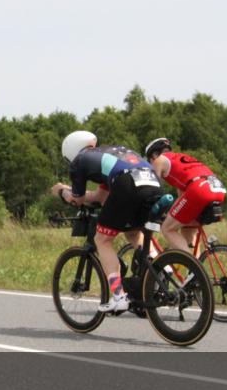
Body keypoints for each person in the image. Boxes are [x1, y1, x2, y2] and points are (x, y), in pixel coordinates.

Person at [51, 131, 163, 313]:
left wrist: (62, 191)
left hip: (127, 182)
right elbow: (100, 197)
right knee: (133, 232)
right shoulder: (108, 154)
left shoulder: (80, 160)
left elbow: (77, 199)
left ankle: (119, 296)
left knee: (102, 239)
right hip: (153, 182)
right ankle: (160, 269)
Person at [144, 138, 226, 253]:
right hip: (218, 188)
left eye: (149, 161)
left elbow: (153, 189)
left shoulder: (159, 160)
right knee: (187, 228)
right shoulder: (181, 158)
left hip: (199, 189)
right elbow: (182, 198)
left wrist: (150, 209)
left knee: (167, 229)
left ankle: (193, 264)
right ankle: (193, 271)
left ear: (154, 155)